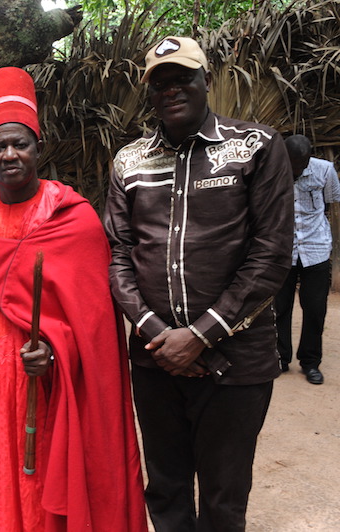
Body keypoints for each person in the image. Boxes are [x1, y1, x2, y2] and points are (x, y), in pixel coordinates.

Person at [0, 67, 147, 532]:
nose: (10, 155)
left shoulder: (73, 218)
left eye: (20, 144)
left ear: (38, 146)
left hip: (46, 384)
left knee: (42, 478)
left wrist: (55, 350)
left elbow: (95, 327)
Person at [103, 36, 294, 531]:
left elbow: (270, 256)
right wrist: (157, 334)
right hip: (155, 358)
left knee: (223, 497)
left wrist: (201, 335)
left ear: (205, 79)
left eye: (182, 77)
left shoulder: (255, 147)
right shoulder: (129, 162)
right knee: (166, 490)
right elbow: (119, 255)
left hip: (236, 360)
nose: (171, 89)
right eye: (159, 82)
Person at [274, 134, 340, 384]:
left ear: (307, 159)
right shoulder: (273, 170)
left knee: (315, 309)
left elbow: (332, 201)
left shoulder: (325, 170)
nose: (295, 170)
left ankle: (310, 362)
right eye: (290, 164)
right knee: (280, 307)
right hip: (283, 251)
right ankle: (281, 358)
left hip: (316, 249)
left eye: (299, 165)